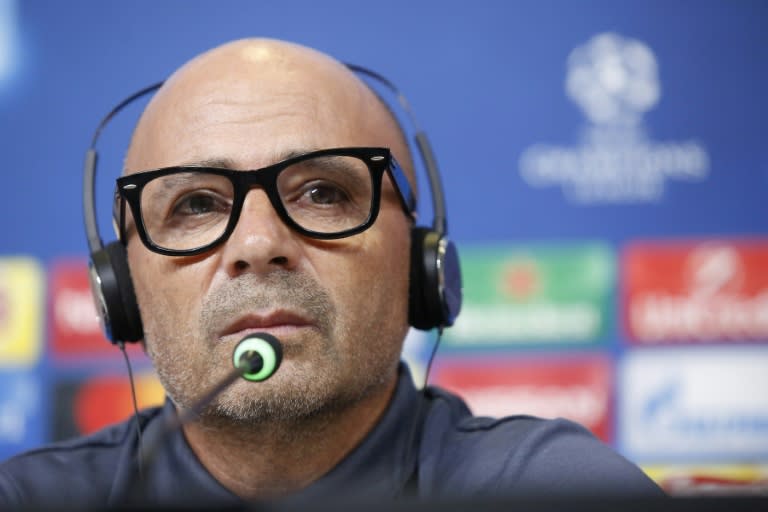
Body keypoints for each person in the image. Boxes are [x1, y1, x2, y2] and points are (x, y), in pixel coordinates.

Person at [0, 38, 663, 508]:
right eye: (196, 205)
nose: (259, 244)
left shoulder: (558, 491)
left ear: (419, 263)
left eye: (322, 192)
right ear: (122, 284)